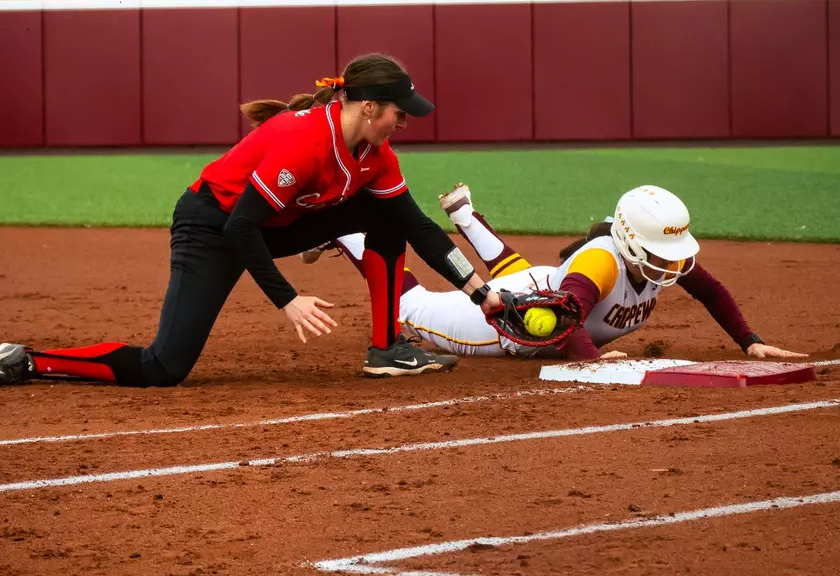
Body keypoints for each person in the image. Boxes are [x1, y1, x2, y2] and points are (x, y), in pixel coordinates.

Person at [0, 54, 504, 388]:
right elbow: (239, 227)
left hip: (276, 224)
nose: (404, 122)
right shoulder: (304, 141)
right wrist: (288, 298)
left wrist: (482, 294)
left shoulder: (375, 154)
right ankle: (32, 361)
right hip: (213, 225)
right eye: (399, 112)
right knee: (165, 367)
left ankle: (388, 348)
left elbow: (420, 228)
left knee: (393, 215)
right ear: (369, 107)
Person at [299, 183, 806, 362]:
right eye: (657, 249)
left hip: (539, 287)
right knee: (409, 307)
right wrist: (592, 362)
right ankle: (344, 231)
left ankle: (467, 218)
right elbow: (565, 327)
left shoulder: (659, 257)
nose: (668, 262)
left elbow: (711, 291)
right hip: (507, 329)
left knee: (517, 271)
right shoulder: (601, 262)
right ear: (630, 239)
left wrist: (750, 340)